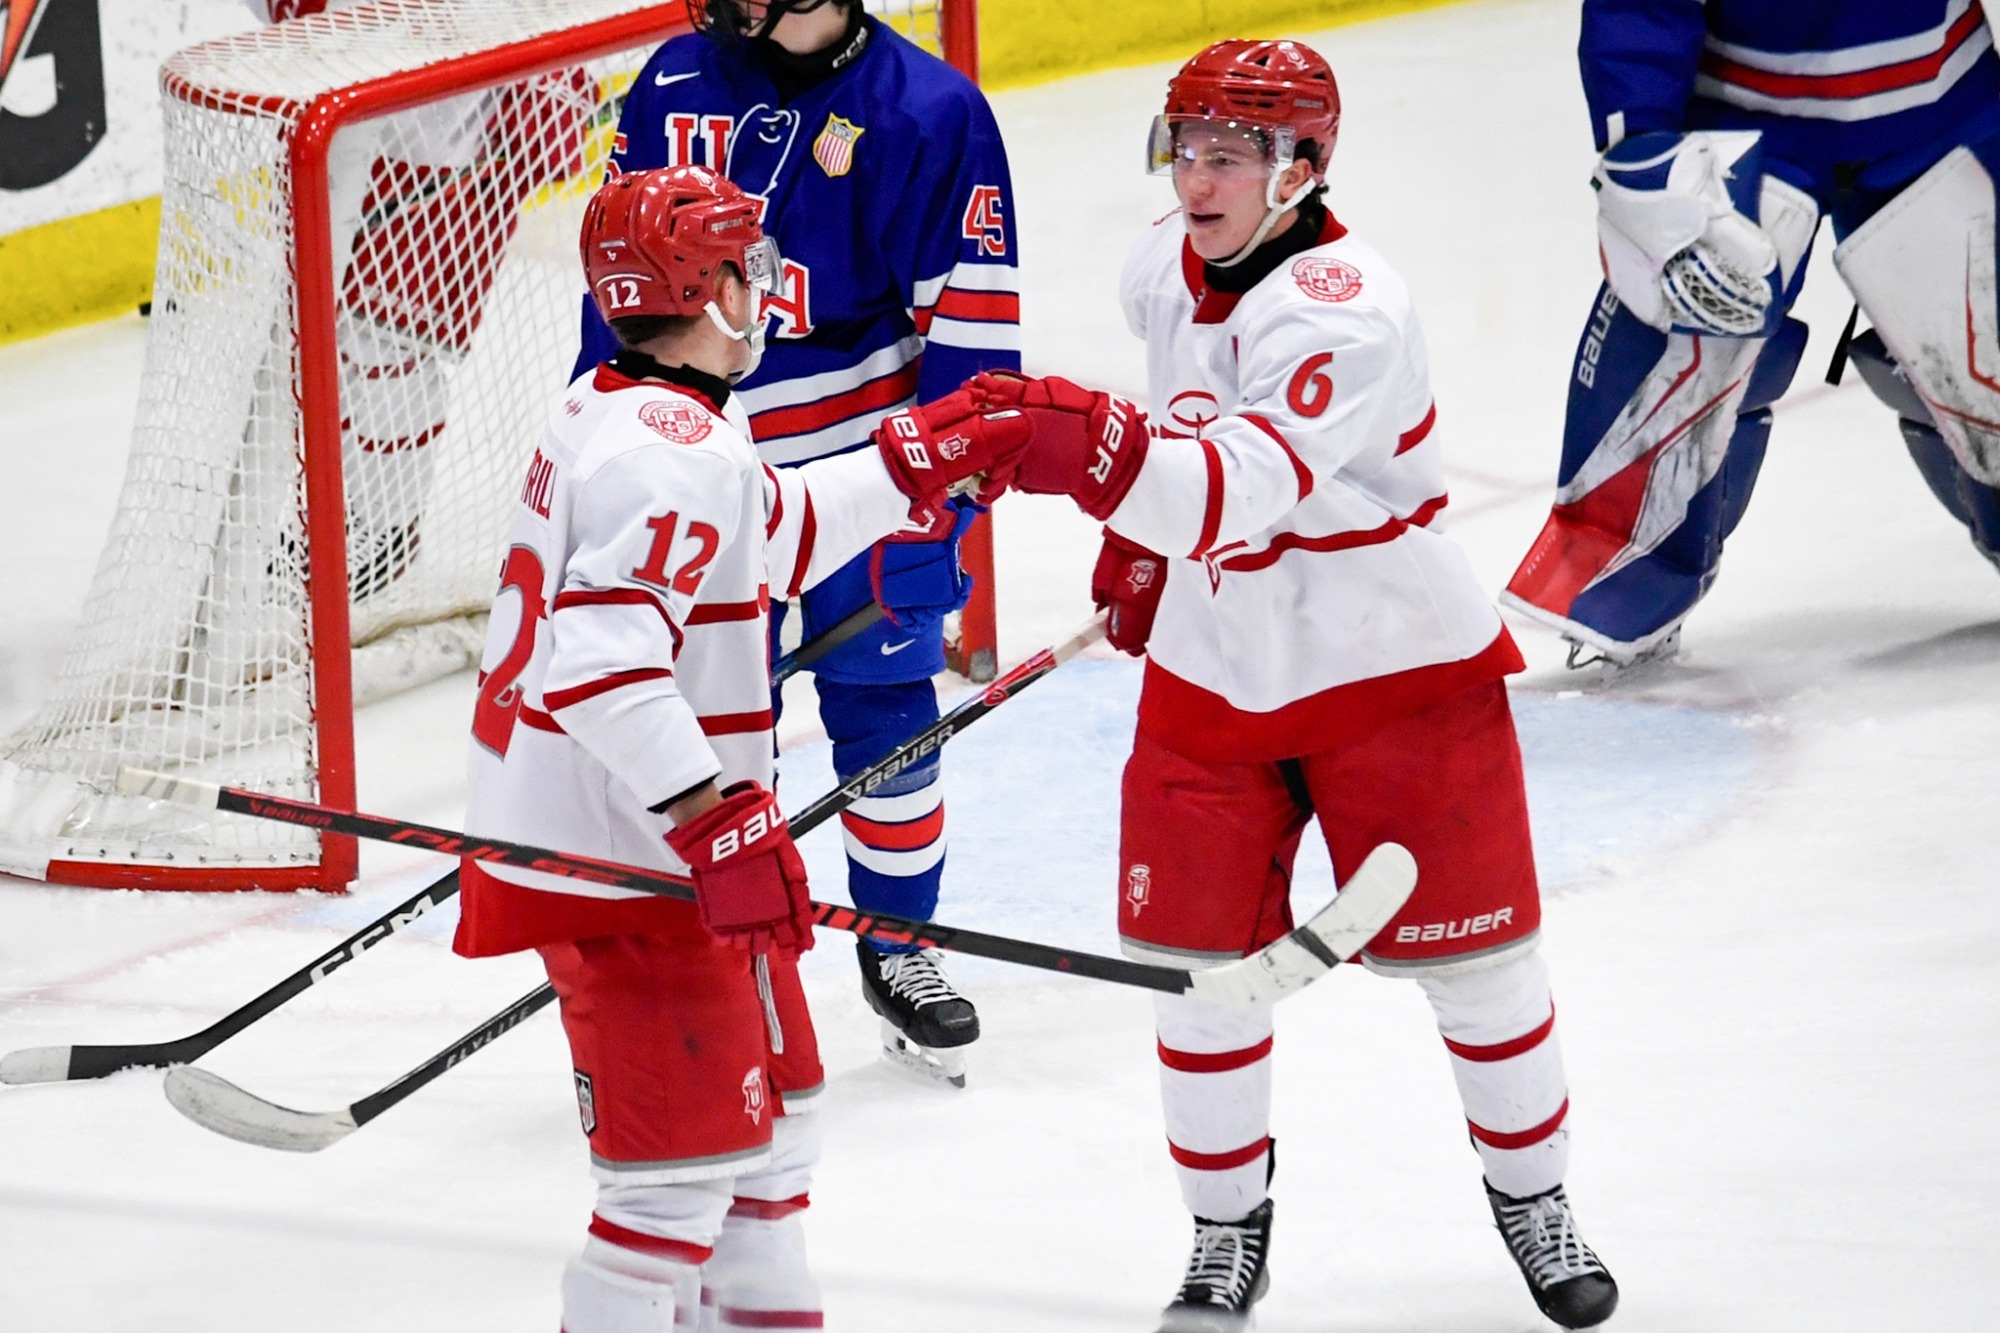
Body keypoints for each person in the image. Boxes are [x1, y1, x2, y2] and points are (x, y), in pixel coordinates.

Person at [970, 40, 1620, 1331]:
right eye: (1185, 146)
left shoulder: (1345, 307)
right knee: (1193, 971)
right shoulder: (1163, 260)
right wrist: (1136, 539)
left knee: (1482, 965)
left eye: (1230, 154)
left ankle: (1533, 1197)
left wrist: (1102, 469)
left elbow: (1241, 484)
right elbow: (1183, 437)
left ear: (1305, 166)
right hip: (1218, 669)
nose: (1194, 180)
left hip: (1392, 667)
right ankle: (1225, 1234)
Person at [453, 165, 1027, 1333]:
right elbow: (604, 668)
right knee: (673, 1192)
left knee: (773, 1140)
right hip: (635, 864)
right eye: (745, 268)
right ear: (707, 291)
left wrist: (906, 461)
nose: (763, 290)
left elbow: (761, 523)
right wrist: (717, 815)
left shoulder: (622, 406)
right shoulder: (663, 454)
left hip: (659, 847)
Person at [572, 0, 1022, 1083]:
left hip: (862, 475)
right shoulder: (673, 80)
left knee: (888, 711)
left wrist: (941, 500)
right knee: (722, 736)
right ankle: (722, 962)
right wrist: (601, 441)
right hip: (698, 475)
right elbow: (614, 296)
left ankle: (898, 945)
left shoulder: (930, 112)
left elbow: (969, 325)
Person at [1501, 0, 2000, 669]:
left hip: (1947, 104)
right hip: (1748, 113)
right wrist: (1638, 135)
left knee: (1980, 324)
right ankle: (1628, 567)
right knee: (1685, 334)